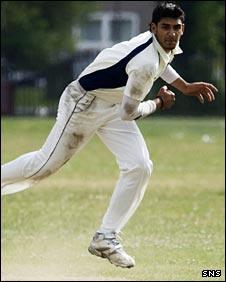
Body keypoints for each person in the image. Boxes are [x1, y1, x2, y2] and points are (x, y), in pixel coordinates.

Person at [1, 1, 218, 268]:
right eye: (165, 28)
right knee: (42, 167)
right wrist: (159, 104)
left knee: (139, 166)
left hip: (113, 104)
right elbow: (130, 112)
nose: (171, 33)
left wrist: (184, 87)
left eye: (176, 28)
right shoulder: (145, 63)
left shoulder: (159, 48)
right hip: (84, 103)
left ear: (182, 29)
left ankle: (105, 236)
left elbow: (162, 63)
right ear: (153, 28)